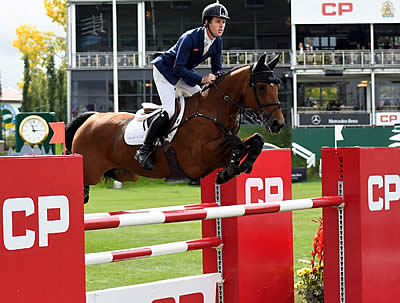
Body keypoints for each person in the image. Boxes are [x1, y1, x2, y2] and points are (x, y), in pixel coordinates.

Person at [135, 3, 230, 170]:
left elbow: (217, 68)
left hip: (183, 74)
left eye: (223, 22)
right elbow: (177, 68)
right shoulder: (190, 38)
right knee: (169, 110)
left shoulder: (217, 42)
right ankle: (144, 150)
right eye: (218, 21)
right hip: (165, 71)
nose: (221, 25)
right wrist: (201, 80)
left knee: (203, 101)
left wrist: (221, 78)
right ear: (207, 22)